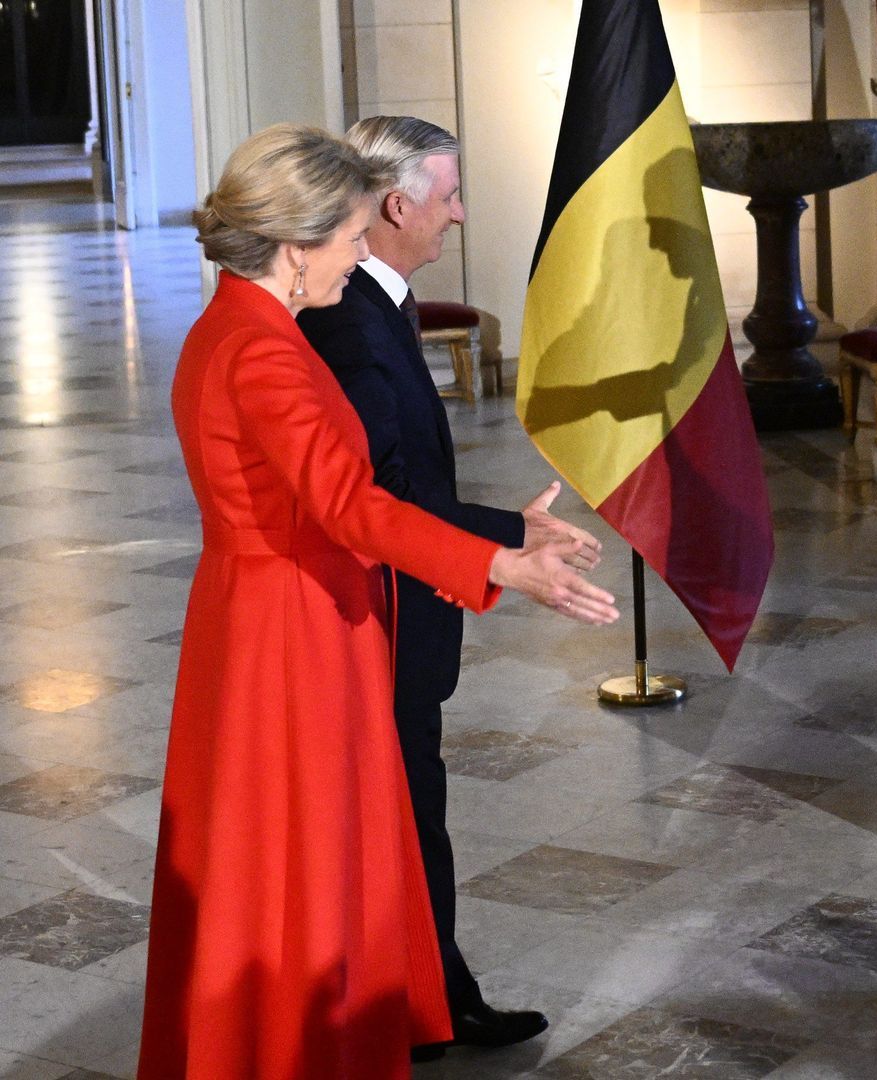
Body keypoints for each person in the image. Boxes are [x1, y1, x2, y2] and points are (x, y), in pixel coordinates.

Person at [139, 124, 617, 1079]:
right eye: (352, 239)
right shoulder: (267, 351)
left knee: (271, 856)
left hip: (257, 612)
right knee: (304, 860)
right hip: (293, 628)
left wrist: (494, 539)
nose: (361, 257)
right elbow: (353, 506)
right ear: (296, 243)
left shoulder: (231, 324)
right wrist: (497, 563)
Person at [296, 115, 593, 1058]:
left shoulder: (379, 304)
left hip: (400, 603)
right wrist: (504, 546)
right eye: (450, 196)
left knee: (407, 811)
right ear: (395, 205)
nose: (460, 215)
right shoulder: (352, 322)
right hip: (379, 615)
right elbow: (378, 496)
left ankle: (426, 998)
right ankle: (430, 1008)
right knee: (405, 813)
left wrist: (510, 524)